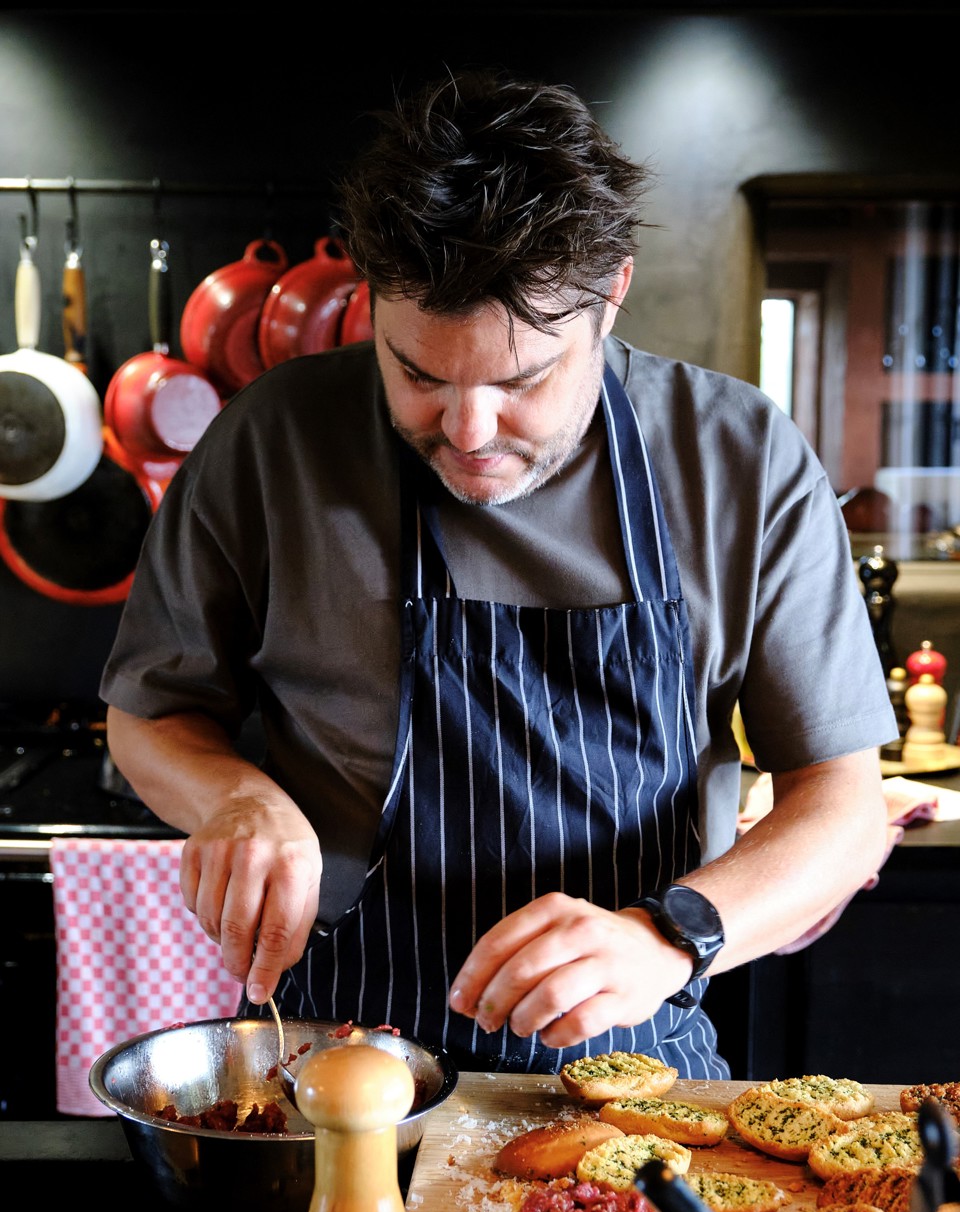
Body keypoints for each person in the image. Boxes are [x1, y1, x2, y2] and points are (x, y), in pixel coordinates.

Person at [102, 68, 897, 1077]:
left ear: (611, 294)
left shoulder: (736, 457)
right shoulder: (276, 443)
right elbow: (149, 716)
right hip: (347, 1069)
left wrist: (670, 936)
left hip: (632, 1082)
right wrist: (235, 799)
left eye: (522, 380)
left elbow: (843, 807)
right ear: (373, 300)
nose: (468, 432)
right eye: (418, 373)